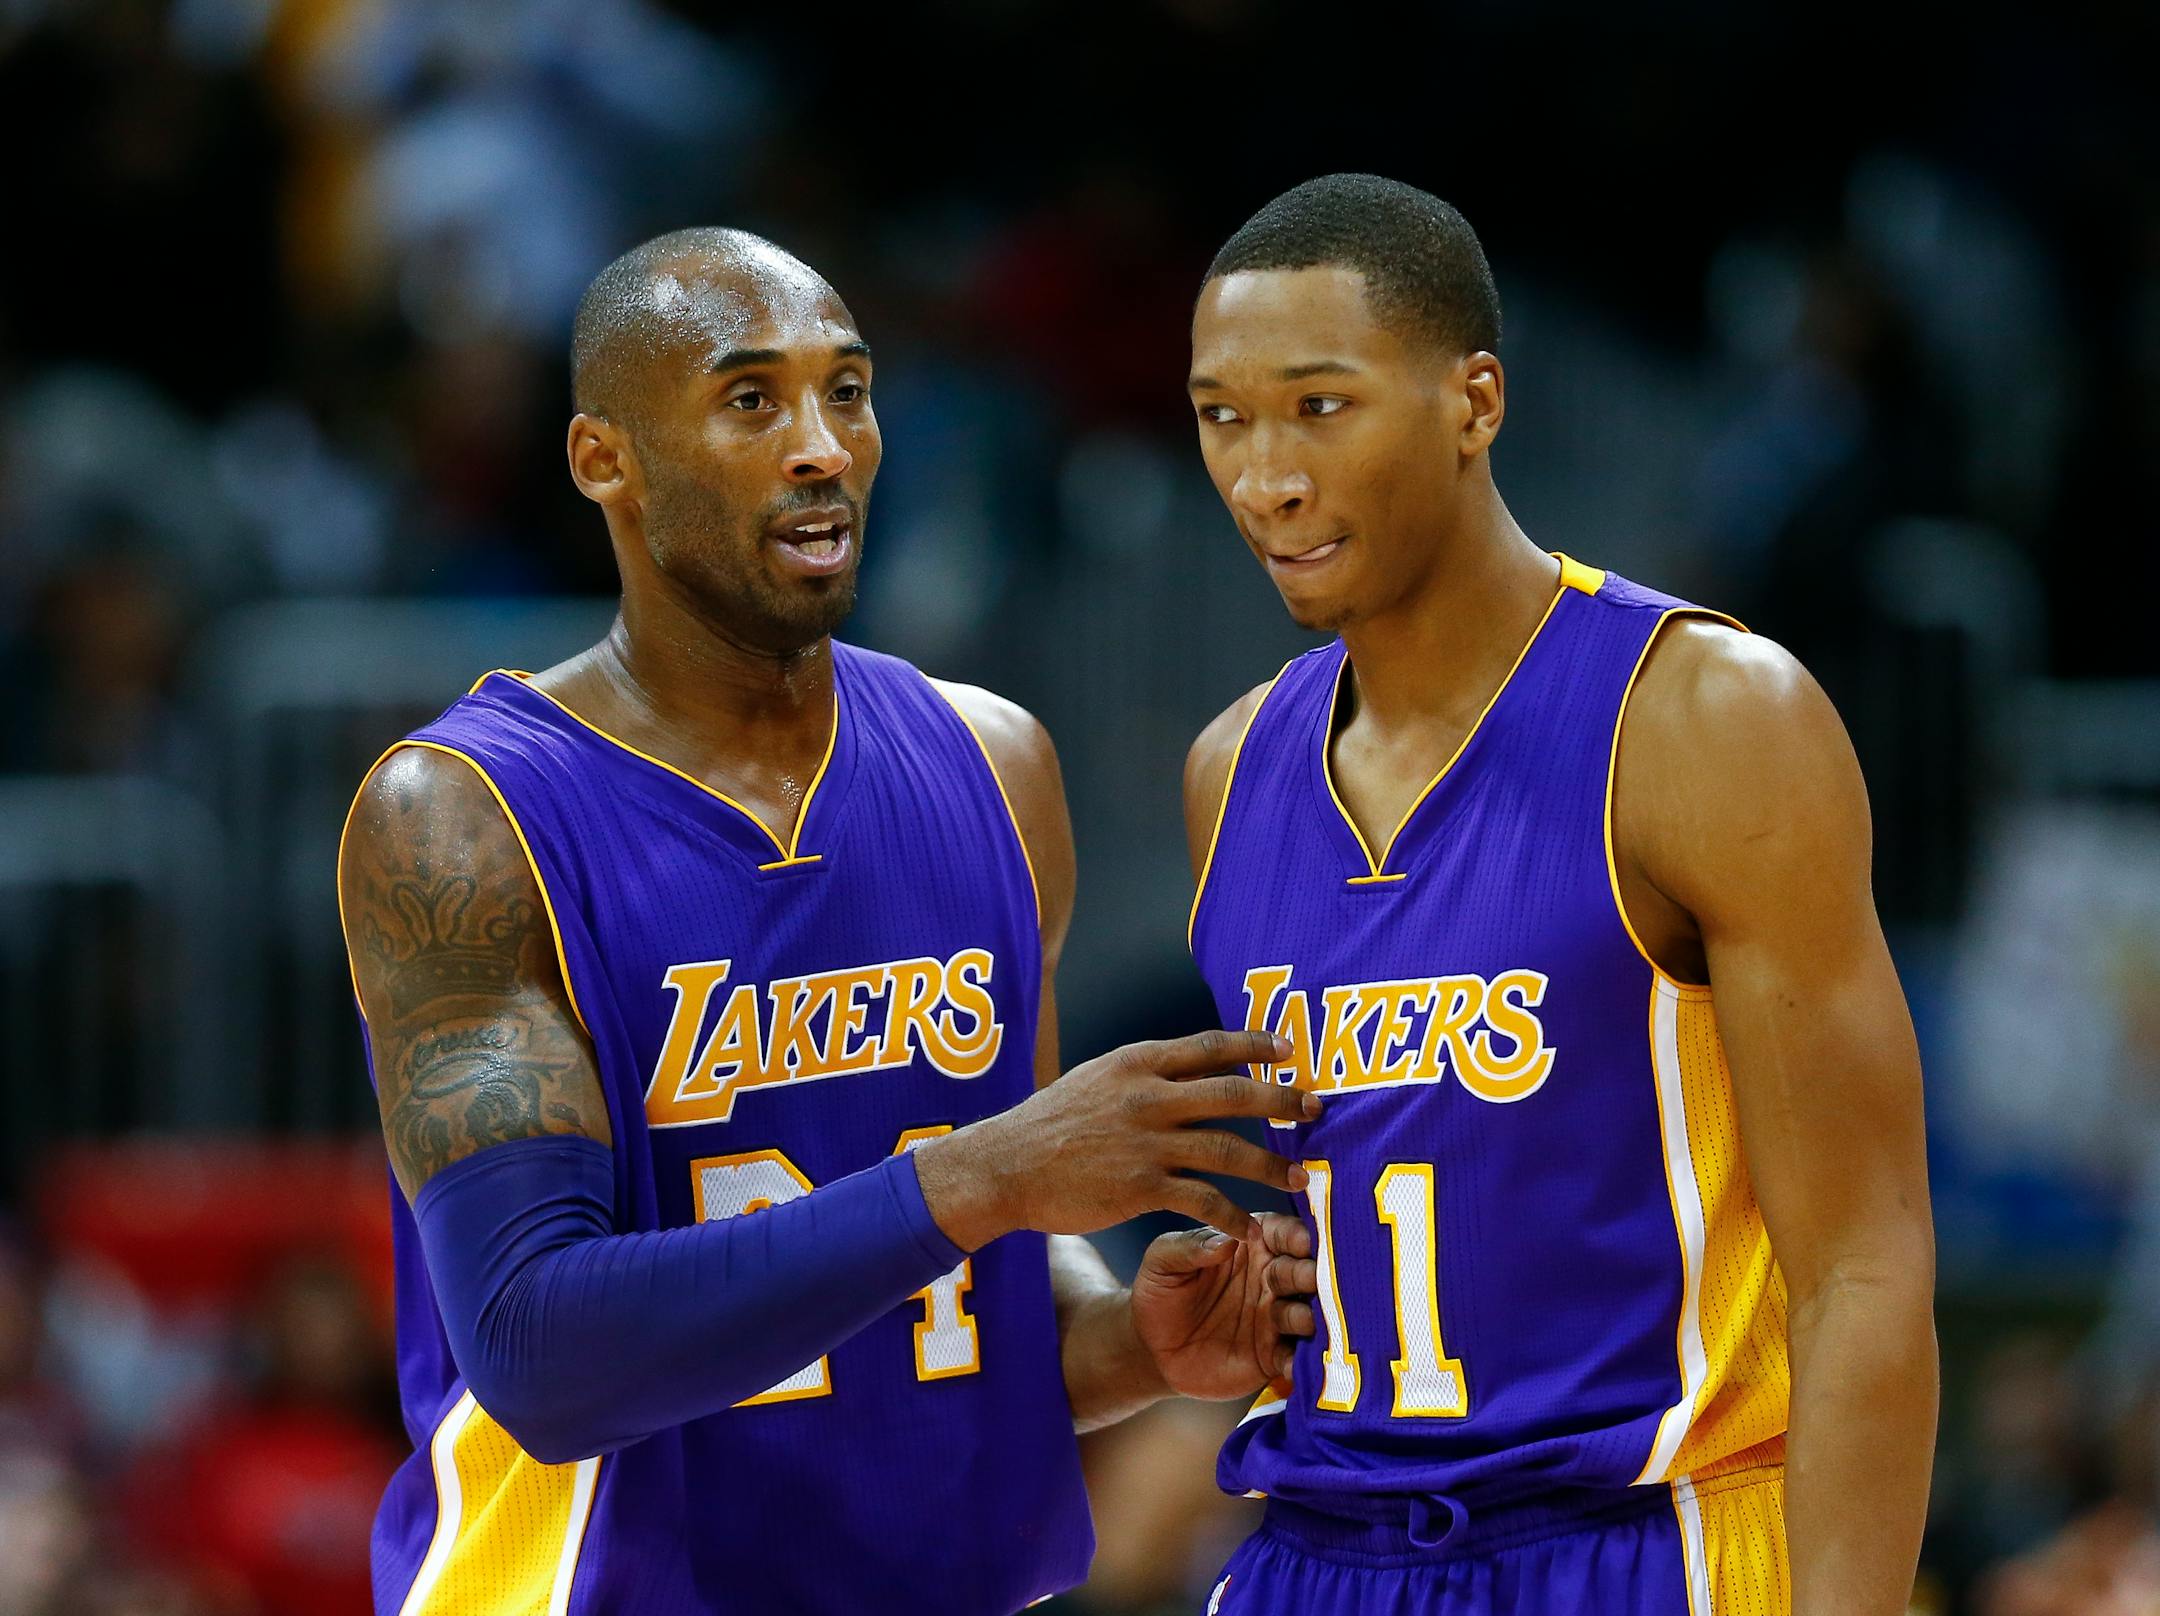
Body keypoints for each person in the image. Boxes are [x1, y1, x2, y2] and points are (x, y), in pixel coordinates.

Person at [336, 226, 1323, 1615]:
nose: (823, 447)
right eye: (752, 400)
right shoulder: (465, 814)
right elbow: (539, 1352)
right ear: (602, 460)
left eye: (847, 392)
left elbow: (963, 1287)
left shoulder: (995, 763)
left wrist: (1130, 1344)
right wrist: (985, 1179)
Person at [1181, 175, 1937, 1615]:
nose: (1266, 475)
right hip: (1318, 1553)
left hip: (1641, 1544)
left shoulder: (1705, 718)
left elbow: (1867, 1271)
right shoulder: (1233, 770)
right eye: (1224, 415)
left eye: (1321, 407)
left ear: (1475, 400)